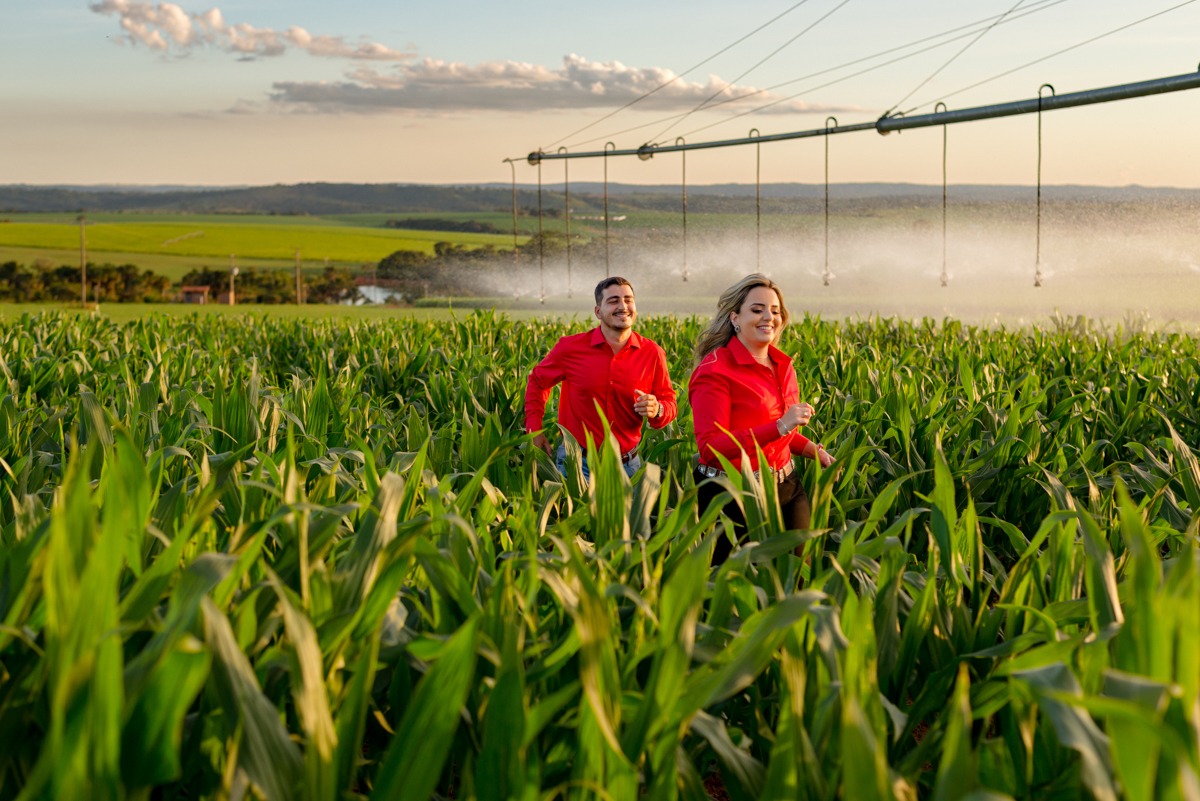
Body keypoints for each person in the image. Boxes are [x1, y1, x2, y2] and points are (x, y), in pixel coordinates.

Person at [689, 274, 835, 564]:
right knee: (738, 582)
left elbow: (785, 433)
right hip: (731, 495)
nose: (769, 317)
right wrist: (780, 426)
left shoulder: (783, 365)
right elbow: (711, 447)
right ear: (735, 318)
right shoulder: (714, 371)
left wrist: (813, 451)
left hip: (786, 486)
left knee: (799, 573)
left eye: (775, 310)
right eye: (757, 309)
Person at [525, 276, 678, 479]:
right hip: (577, 464)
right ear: (598, 312)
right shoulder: (569, 349)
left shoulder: (653, 353)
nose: (623, 306)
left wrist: (657, 409)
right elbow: (537, 381)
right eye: (613, 301)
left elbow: (669, 403)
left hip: (628, 466)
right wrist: (534, 430)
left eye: (628, 300)